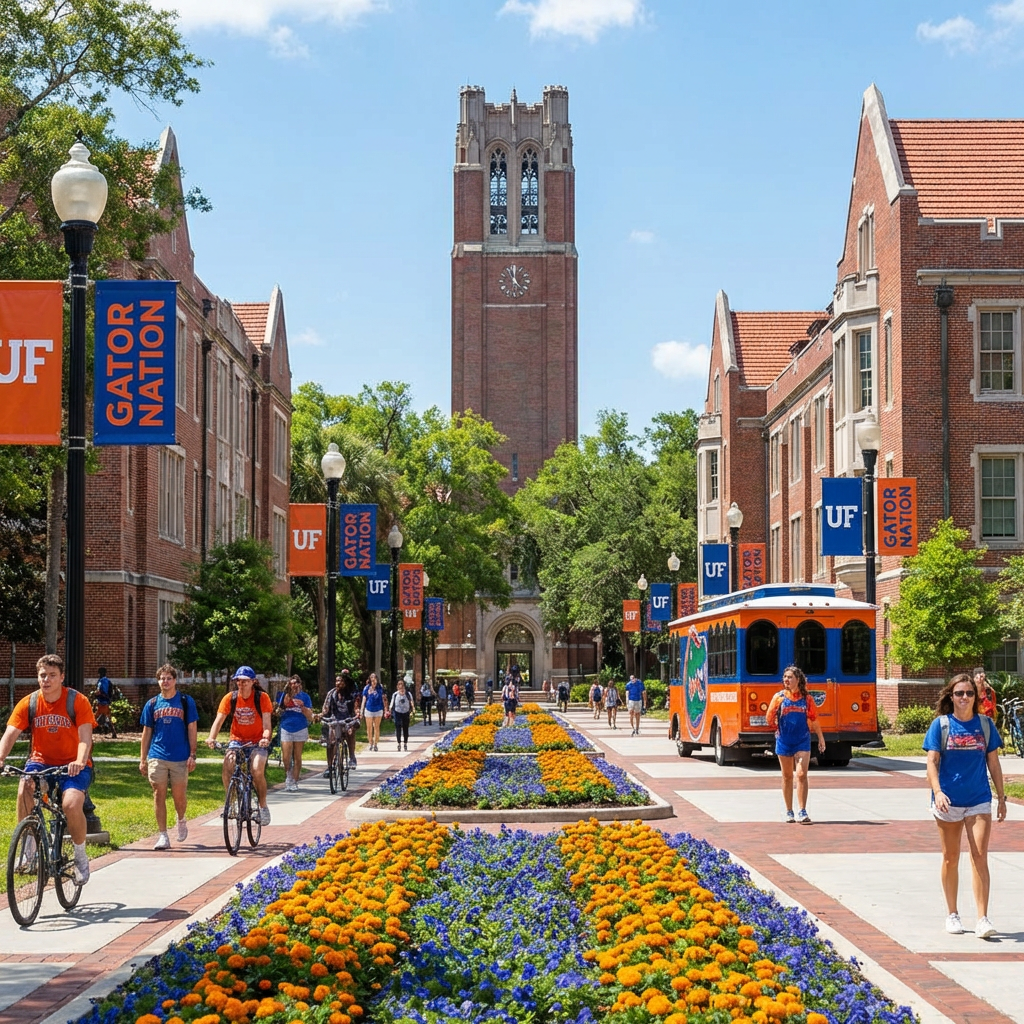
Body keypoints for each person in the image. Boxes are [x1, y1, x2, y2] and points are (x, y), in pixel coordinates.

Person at [0, 654, 97, 883]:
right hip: (41, 761)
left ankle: (80, 856)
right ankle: (29, 847)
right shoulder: (30, 703)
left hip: (73, 764)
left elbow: (85, 737)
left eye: (52, 675)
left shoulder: (77, 701)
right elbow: (10, 734)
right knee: (26, 784)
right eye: (43, 675)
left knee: (71, 803)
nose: (47, 679)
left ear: (62, 677)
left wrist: (80, 761)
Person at [924, 673, 1006, 939]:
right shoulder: (941, 725)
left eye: (969, 693)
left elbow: (993, 763)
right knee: (950, 857)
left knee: (979, 855)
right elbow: (932, 762)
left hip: (979, 799)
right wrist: (937, 792)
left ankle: (982, 918)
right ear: (951, 696)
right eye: (959, 693)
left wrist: (1001, 797)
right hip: (948, 802)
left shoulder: (985, 725)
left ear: (975, 696)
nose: (964, 698)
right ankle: (952, 914)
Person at [139, 664, 198, 850]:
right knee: (158, 793)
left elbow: (192, 728)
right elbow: (147, 732)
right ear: (158, 681)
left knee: (179, 796)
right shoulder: (152, 704)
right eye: (162, 678)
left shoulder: (185, 701)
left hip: (180, 756)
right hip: (157, 755)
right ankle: (163, 835)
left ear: (175, 680)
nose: (165, 682)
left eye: (168, 678)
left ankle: (181, 819)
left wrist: (193, 754)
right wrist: (143, 759)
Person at [207, 666, 273, 825]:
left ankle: (263, 807)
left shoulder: (262, 698)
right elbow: (219, 720)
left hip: (257, 740)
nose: (241, 684)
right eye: (238, 681)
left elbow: (267, 724)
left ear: (253, 682)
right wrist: (211, 738)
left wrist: (265, 737)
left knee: (257, 770)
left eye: (245, 681)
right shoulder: (230, 698)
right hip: (237, 739)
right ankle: (232, 802)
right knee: (228, 765)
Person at [766, 665, 826, 825]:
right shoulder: (778, 697)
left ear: (798, 680)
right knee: (787, 776)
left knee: (801, 775)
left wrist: (821, 738)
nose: (786, 680)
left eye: (790, 677)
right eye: (785, 677)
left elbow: (814, 719)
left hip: (802, 740)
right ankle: (789, 811)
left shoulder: (807, 699)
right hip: (784, 741)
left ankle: (802, 811)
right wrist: (776, 726)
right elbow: (768, 718)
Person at [277, 675, 313, 792]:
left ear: (300, 684)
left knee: (297, 756)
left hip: (300, 727)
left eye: (296, 683)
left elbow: (310, 716)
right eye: (292, 683)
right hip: (286, 727)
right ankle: (288, 776)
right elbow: (278, 711)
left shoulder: (305, 697)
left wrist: (302, 707)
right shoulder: (285, 695)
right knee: (286, 756)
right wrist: (286, 702)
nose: (294, 686)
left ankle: (295, 781)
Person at [321, 671, 358, 771]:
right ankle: (329, 767)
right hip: (334, 720)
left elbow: (356, 708)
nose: (338, 683)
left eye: (340, 681)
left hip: (348, 719)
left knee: (350, 732)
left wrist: (357, 714)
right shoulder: (331, 694)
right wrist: (321, 715)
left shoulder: (350, 695)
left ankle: (352, 757)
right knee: (330, 741)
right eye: (337, 681)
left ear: (345, 683)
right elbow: (325, 708)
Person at [359, 673, 385, 751]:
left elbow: (384, 698)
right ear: (370, 679)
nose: (373, 679)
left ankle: (376, 744)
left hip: (378, 709)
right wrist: (361, 710)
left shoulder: (380, 687)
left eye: (374, 677)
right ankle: (370, 743)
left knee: (376, 727)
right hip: (369, 709)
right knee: (369, 728)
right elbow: (364, 699)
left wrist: (386, 709)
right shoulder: (366, 688)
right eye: (371, 677)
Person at [94, 666, 118, 739]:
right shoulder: (106, 680)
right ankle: (113, 732)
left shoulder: (102, 681)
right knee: (106, 718)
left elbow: (103, 692)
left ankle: (86, 733)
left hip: (102, 702)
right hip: (104, 702)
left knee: (94, 718)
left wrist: (98, 693)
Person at [389, 679, 413, 752]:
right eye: (399, 684)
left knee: (406, 728)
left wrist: (413, 709)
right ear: (397, 686)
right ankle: (399, 743)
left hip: (406, 712)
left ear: (404, 685)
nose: (400, 686)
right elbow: (392, 703)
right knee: (398, 727)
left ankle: (405, 743)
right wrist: (389, 709)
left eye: (402, 684)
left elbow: (411, 701)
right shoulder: (395, 694)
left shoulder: (408, 694)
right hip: (397, 712)